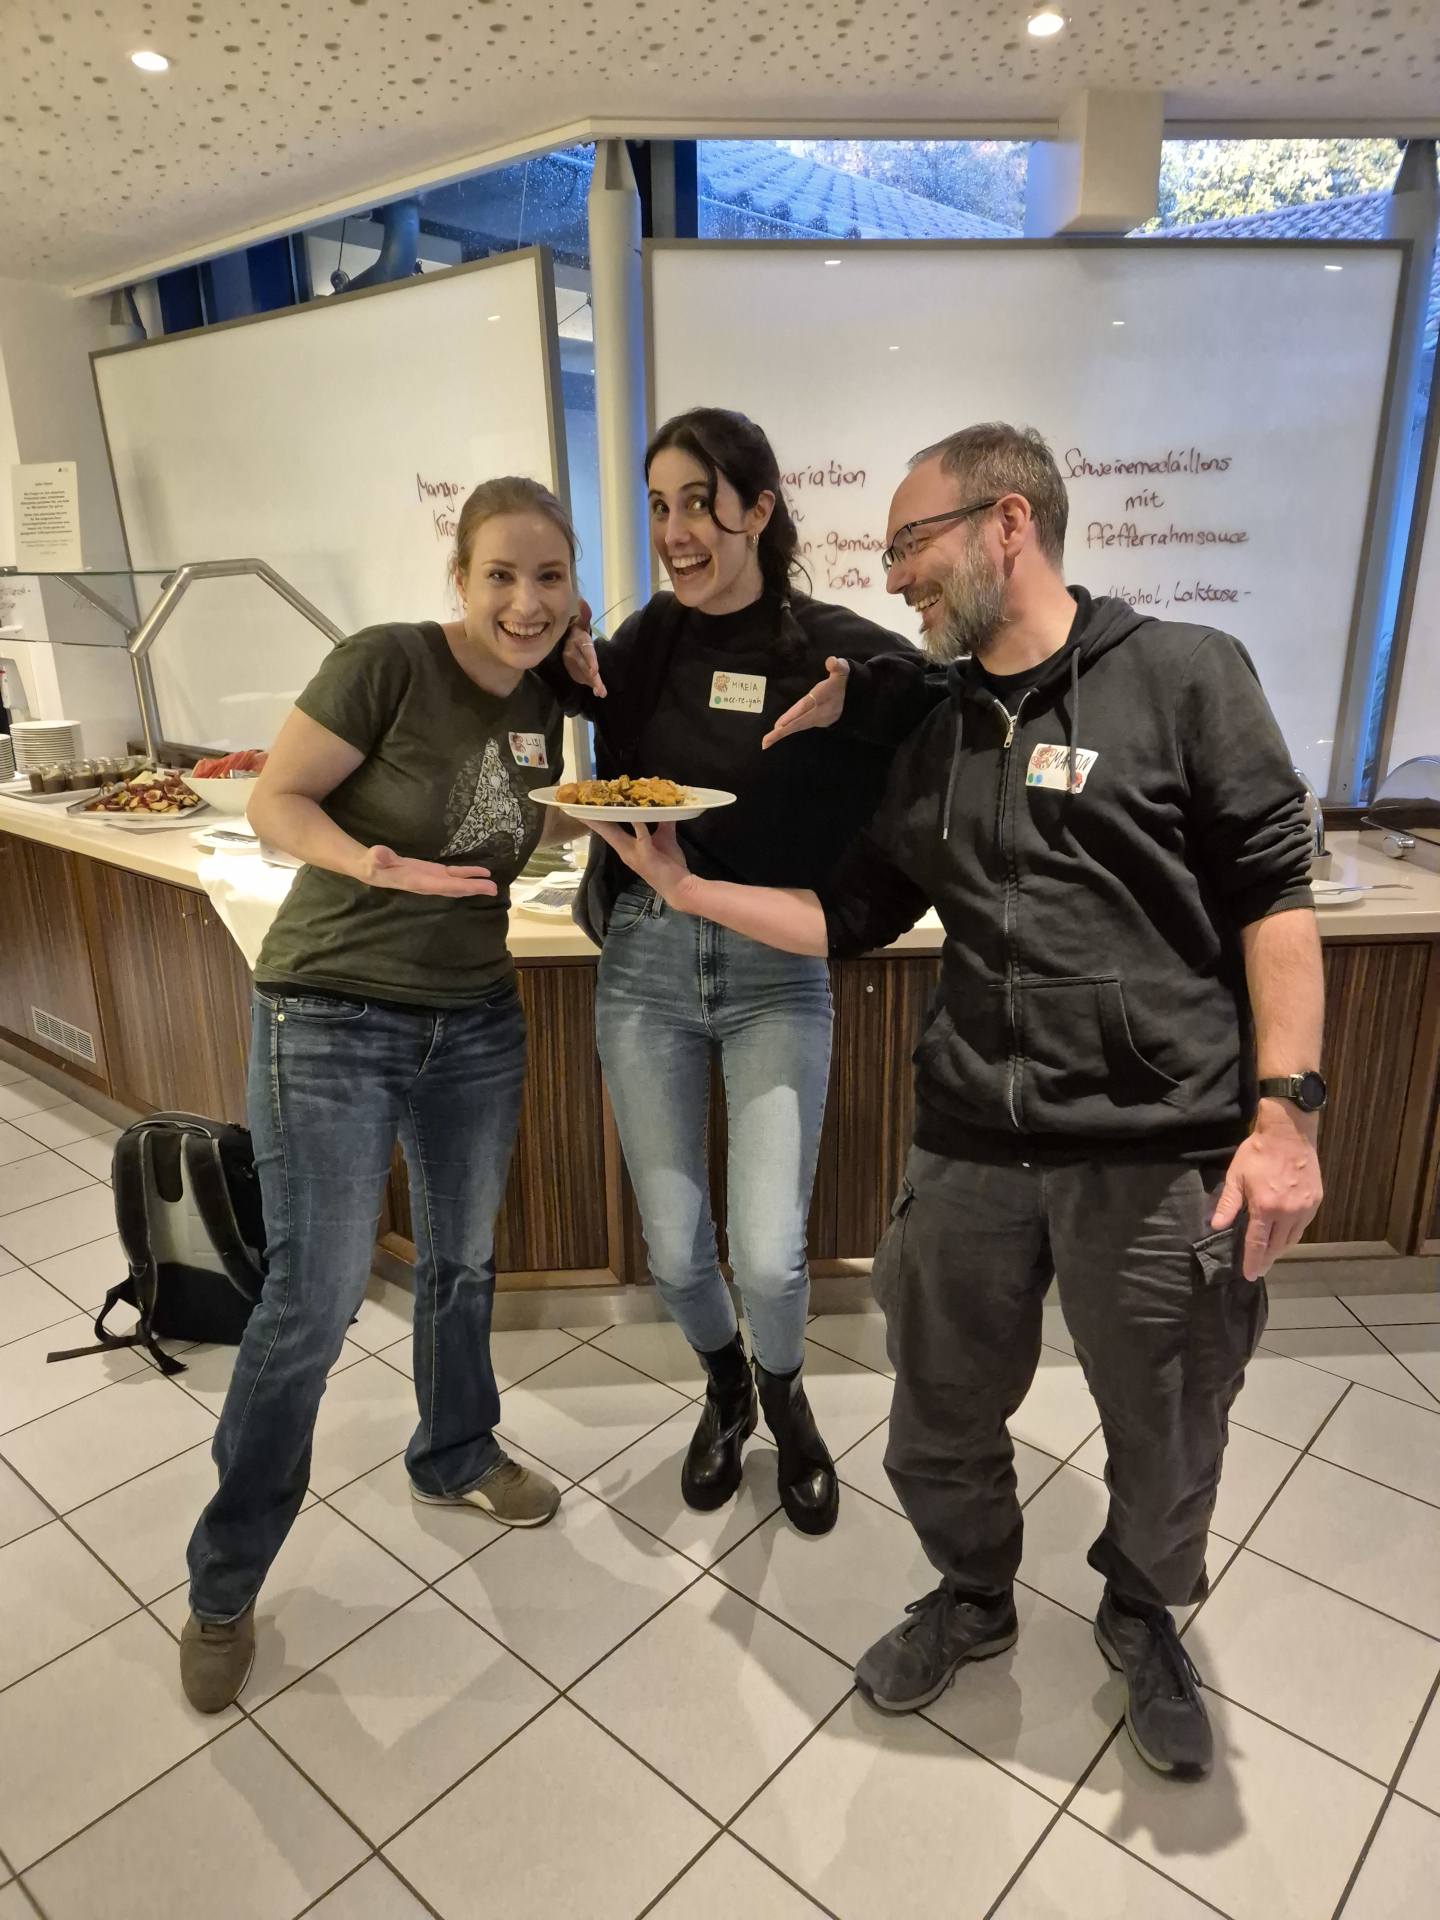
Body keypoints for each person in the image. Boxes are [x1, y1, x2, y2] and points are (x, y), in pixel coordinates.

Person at [589, 422, 1325, 1781]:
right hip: (970, 1142)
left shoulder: (1181, 674)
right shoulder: (932, 728)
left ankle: (1142, 1613)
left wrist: (1285, 1118)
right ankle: (974, 1594)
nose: (892, 576)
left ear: (1007, 525)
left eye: (910, 545)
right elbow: (852, 913)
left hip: (1155, 1149)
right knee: (936, 1412)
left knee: (1170, 1417)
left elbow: (1275, 894)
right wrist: (687, 889)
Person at [181, 475, 579, 1713]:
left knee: (462, 1260)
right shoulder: (388, 662)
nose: (525, 602)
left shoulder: (552, 692)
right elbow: (275, 798)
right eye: (501, 575)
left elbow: (519, 823)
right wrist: (369, 862)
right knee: (314, 1295)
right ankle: (223, 1583)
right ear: (460, 579)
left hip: (475, 1016)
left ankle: (453, 1451)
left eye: (550, 578)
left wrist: (605, 826)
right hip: (331, 1011)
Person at [538, 407, 922, 1535]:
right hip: (648, 962)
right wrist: (566, 662)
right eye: (659, 506)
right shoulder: (653, 636)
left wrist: (860, 698)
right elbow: (588, 698)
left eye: (698, 503)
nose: (675, 530)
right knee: (672, 1248)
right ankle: (724, 1390)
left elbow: (937, 692)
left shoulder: (822, 644)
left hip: (773, 969)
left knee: (769, 1256)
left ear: (758, 509)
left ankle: (788, 1405)